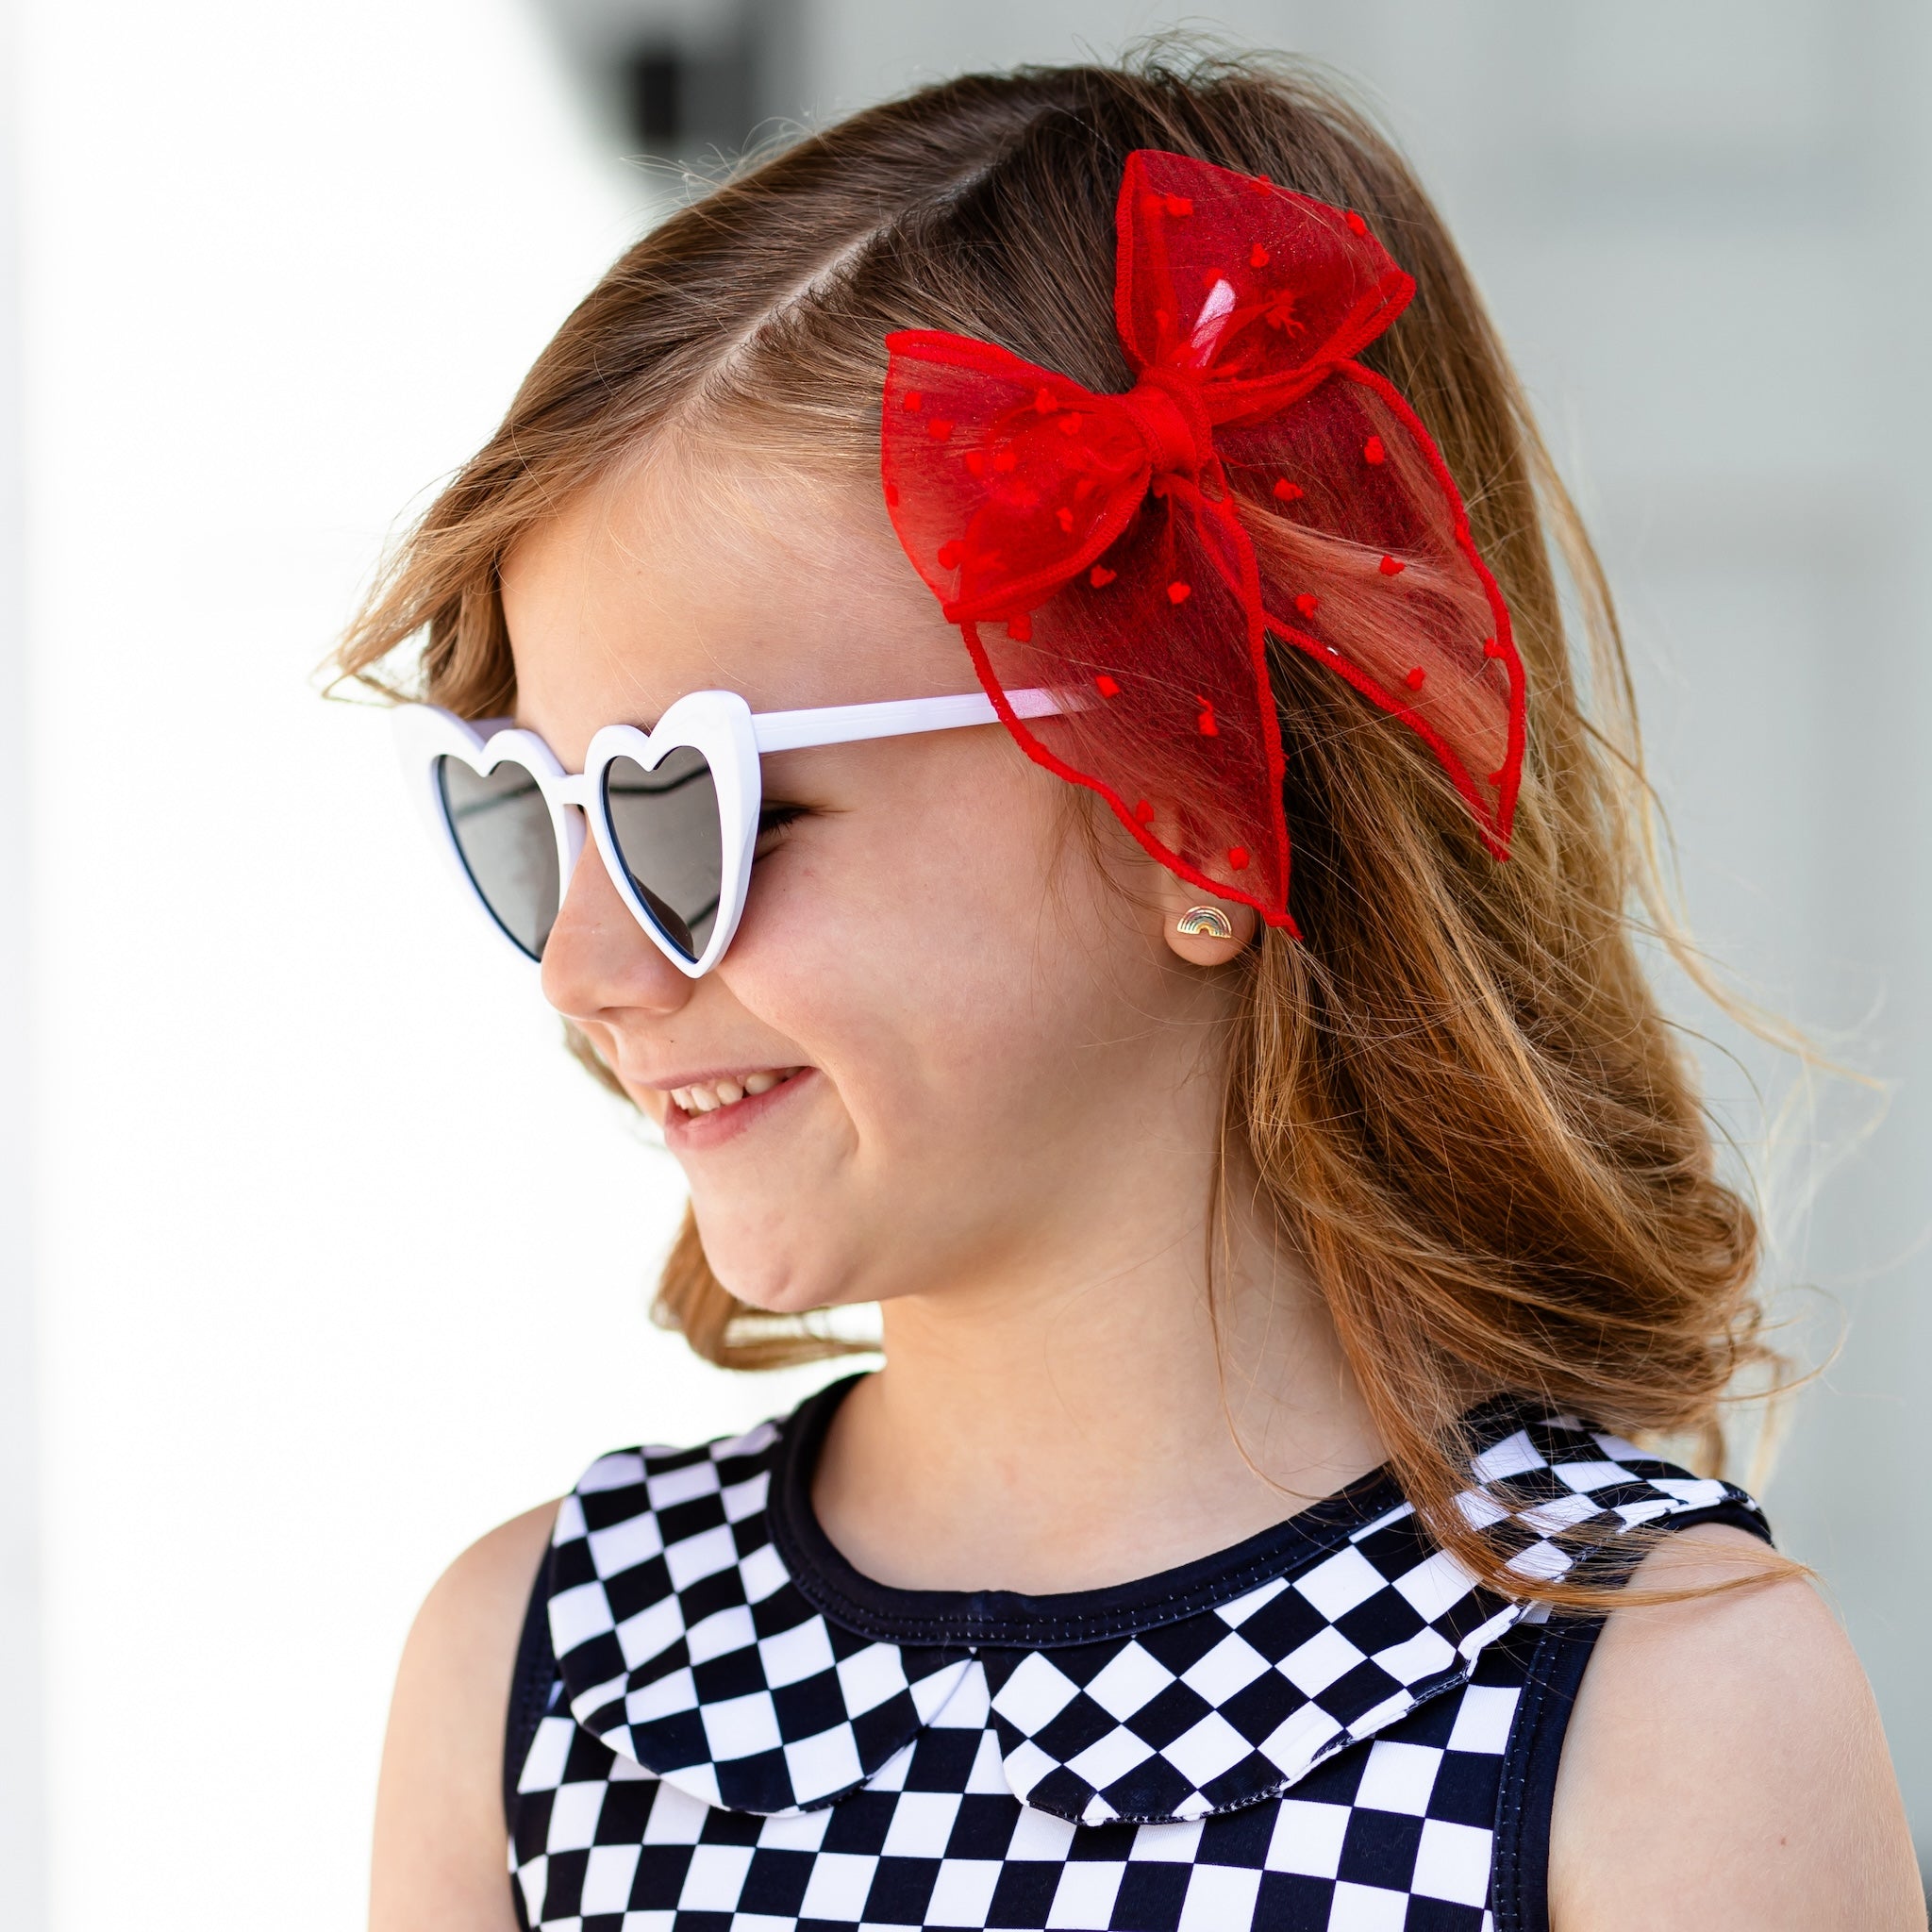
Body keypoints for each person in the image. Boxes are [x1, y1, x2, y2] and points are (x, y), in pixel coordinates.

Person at [341, 53, 1924, 1932]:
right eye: (539, 814)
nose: (590, 965)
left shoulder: (1653, 1709)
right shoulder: (541, 1685)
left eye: (709, 813)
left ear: (1187, 810)